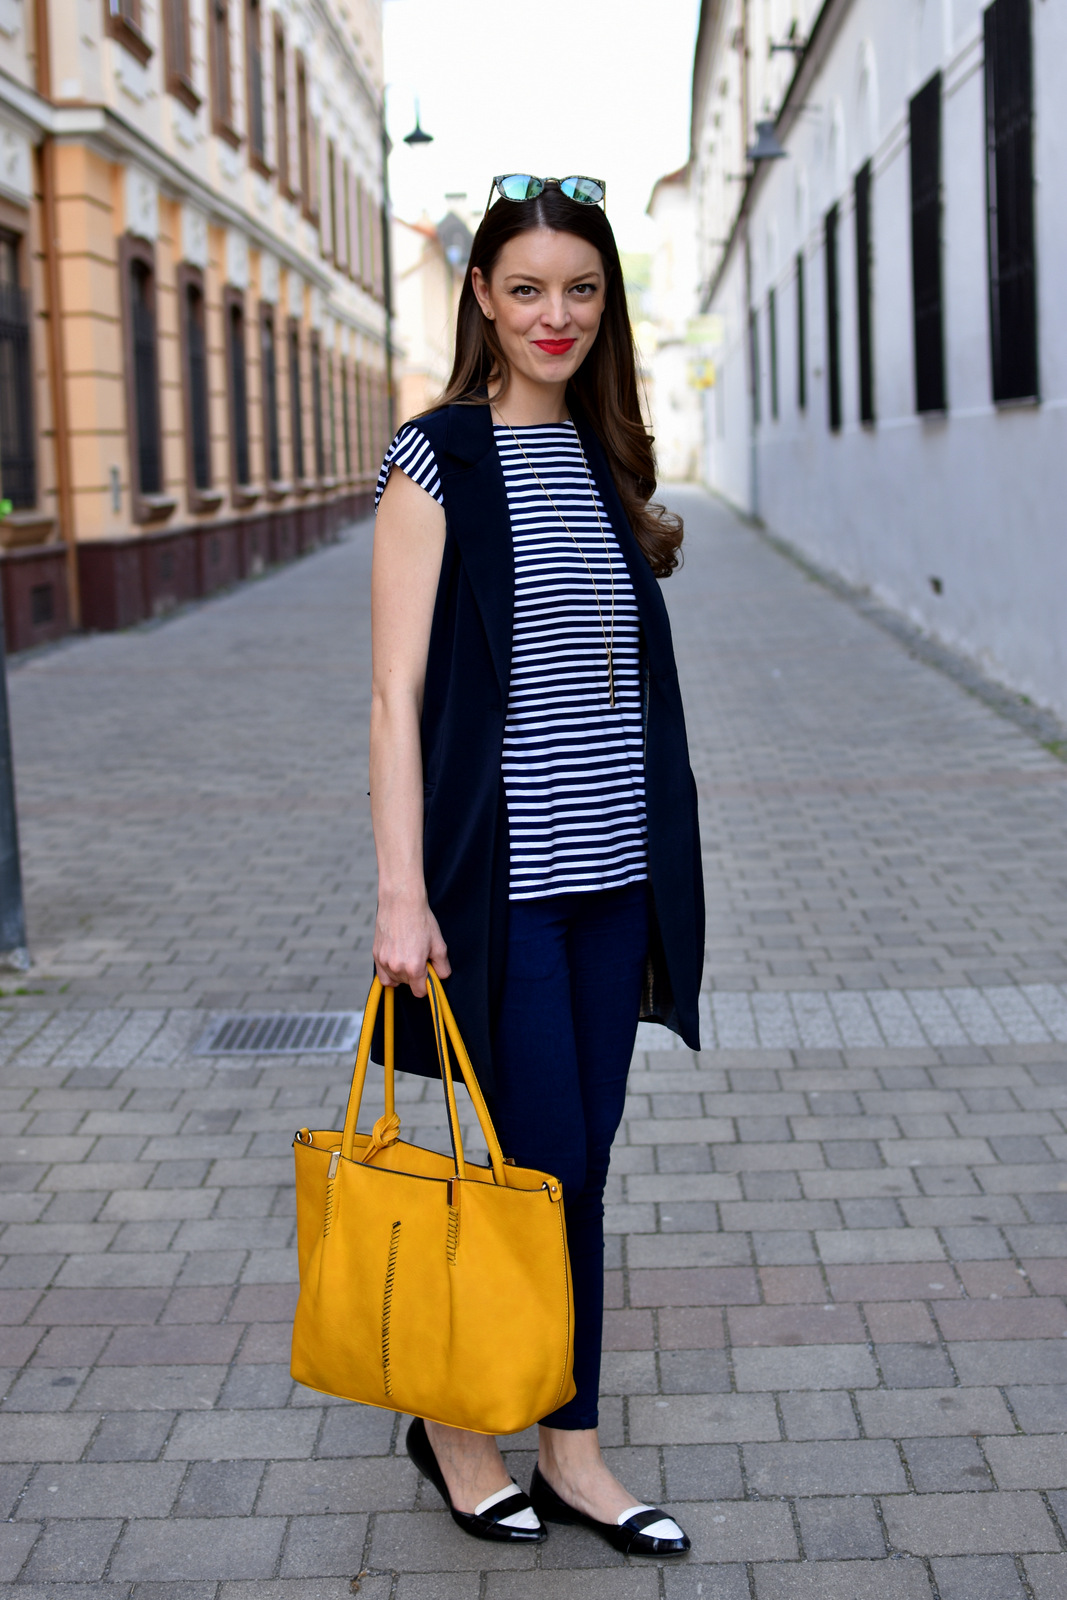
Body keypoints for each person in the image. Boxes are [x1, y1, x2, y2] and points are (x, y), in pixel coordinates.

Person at [369, 173, 704, 1557]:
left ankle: (540, 1437)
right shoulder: (437, 456)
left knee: (578, 1169)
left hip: (612, 879)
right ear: (482, 300)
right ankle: (503, 1436)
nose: (554, 315)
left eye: (580, 289)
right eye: (526, 290)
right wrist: (403, 894)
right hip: (495, 888)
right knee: (538, 1164)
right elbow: (393, 694)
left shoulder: (612, 459)